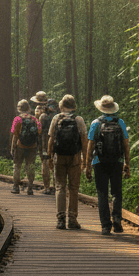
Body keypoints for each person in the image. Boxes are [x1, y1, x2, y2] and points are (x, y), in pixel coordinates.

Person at [85, 94, 130, 234]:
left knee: (102, 193)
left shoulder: (95, 123)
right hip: (117, 161)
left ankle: (105, 225)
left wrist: (87, 166)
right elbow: (126, 145)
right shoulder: (120, 122)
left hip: (99, 162)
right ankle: (117, 219)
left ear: (101, 109)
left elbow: (90, 146)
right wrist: (127, 164)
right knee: (117, 192)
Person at [47, 93, 88, 230]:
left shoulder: (56, 118)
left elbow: (51, 140)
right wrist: (85, 159)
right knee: (74, 188)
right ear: (74, 106)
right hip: (75, 157)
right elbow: (84, 141)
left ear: (61, 106)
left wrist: (49, 157)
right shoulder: (79, 120)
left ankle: (60, 219)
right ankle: (72, 219)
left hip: (59, 156)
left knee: (60, 186)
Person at [10, 99, 40, 194]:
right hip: (32, 146)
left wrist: (12, 147)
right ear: (28, 108)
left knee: (17, 166)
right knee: (30, 166)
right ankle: (30, 188)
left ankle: (16, 187)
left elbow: (15, 135)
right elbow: (39, 131)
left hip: (20, 146)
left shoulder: (17, 119)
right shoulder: (34, 119)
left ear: (19, 108)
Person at [32, 91, 56, 195]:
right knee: (55, 162)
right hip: (55, 140)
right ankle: (56, 187)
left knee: (45, 163)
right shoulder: (54, 110)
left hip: (44, 142)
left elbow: (39, 129)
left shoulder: (41, 114)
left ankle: (46, 187)